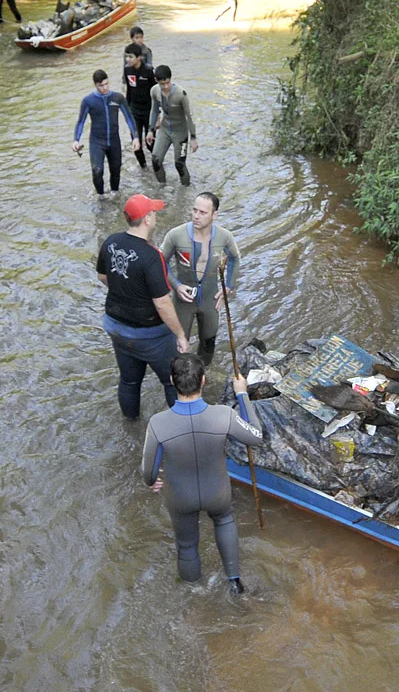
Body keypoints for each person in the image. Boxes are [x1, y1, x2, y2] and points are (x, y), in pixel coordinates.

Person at [142, 353, 263, 593]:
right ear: (204, 381)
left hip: (180, 495)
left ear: (171, 380)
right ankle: (235, 582)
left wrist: (154, 480)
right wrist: (242, 393)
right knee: (224, 519)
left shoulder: (158, 423)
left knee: (186, 545)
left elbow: (148, 474)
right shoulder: (223, 415)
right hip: (217, 491)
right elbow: (256, 437)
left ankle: (194, 593)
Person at [99, 195, 192, 419]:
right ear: (147, 219)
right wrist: (180, 335)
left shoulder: (111, 242)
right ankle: (179, 428)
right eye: (154, 212)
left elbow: (103, 276)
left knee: (129, 380)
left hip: (116, 327)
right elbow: (162, 303)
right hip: (150, 334)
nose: (155, 216)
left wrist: (126, 288)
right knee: (172, 381)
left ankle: (131, 422)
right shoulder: (152, 256)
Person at [159, 192, 240, 366]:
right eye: (194, 210)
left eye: (203, 212)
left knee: (208, 345)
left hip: (210, 300)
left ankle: (202, 378)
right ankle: (179, 381)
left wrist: (228, 286)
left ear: (215, 215)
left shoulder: (224, 237)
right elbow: (159, 263)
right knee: (178, 348)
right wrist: (176, 285)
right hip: (182, 300)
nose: (196, 216)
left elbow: (235, 258)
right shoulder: (176, 235)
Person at [72, 70, 141, 196]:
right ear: (95, 85)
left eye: (106, 84)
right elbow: (81, 121)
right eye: (101, 86)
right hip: (97, 141)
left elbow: (129, 117)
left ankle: (114, 196)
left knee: (116, 171)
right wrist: (76, 140)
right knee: (97, 171)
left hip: (114, 140)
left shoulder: (117, 98)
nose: (105, 88)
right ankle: (101, 197)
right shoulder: (88, 101)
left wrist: (135, 137)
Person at [147, 65, 197, 186]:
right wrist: (150, 129)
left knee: (179, 164)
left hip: (180, 133)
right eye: (162, 84)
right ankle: (162, 186)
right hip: (165, 130)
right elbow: (154, 110)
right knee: (155, 160)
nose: (165, 86)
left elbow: (190, 116)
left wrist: (193, 138)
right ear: (156, 81)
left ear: (170, 79)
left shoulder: (181, 94)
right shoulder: (154, 91)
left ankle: (185, 191)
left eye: (167, 83)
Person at [122, 43, 158, 169]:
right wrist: (126, 111)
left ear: (139, 58)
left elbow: (156, 93)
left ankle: (157, 165)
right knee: (136, 144)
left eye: (130, 57)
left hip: (148, 111)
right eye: (127, 57)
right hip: (134, 111)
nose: (128, 60)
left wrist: (158, 115)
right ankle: (144, 169)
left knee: (150, 144)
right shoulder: (127, 70)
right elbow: (129, 92)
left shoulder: (148, 71)